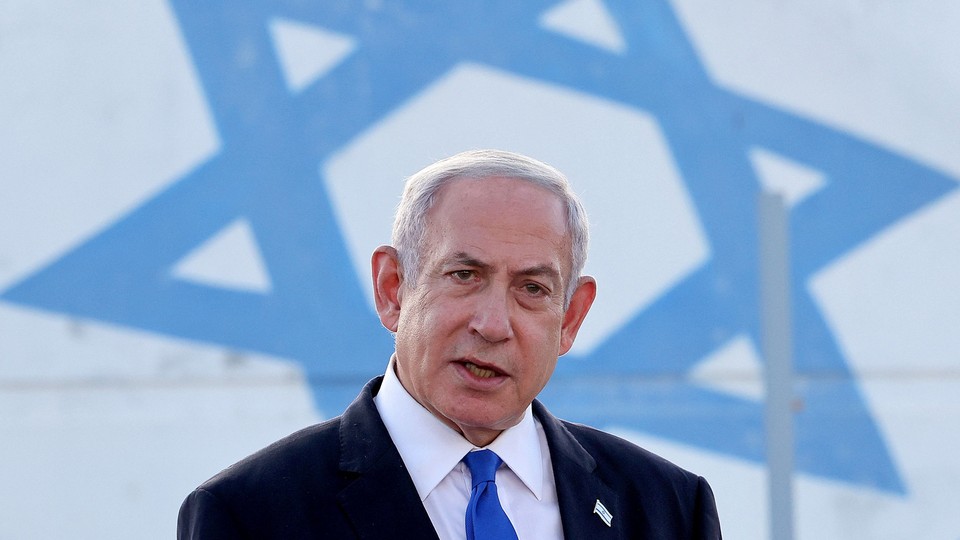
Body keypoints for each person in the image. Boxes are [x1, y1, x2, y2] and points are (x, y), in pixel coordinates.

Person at [178, 149, 722, 539]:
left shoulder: (668, 508)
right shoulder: (251, 514)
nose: (492, 324)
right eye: (464, 275)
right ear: (393, 289)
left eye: (532, 289)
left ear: (570, 318)